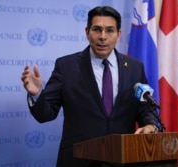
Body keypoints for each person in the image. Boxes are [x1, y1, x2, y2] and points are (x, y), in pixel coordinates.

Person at [21, 6, 160, 167]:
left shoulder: (135, 68)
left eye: (110, 30)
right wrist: (37, 94)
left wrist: (150, 124)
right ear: (87, 32)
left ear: (119, 35)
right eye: (97, 29)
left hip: (122, 159)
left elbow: (144, 108)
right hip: (78, 160)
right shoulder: (66, 66)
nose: (103, 37)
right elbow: (46, 114)